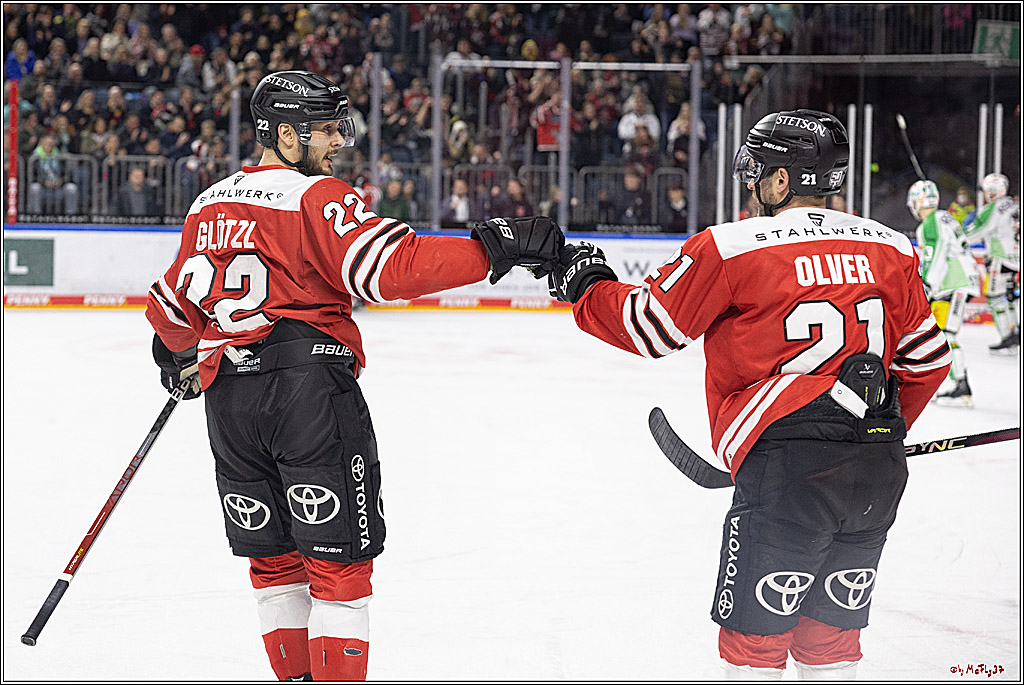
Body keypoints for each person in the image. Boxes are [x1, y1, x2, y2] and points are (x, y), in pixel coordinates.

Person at [145, 70, 562, 682]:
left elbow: (170, 310)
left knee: (274, 565)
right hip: (307, 397)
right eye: (325, 129)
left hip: (229, 401)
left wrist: (175, 354)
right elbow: (392, 268)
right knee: (338, 569)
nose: (339, 139)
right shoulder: (315, 196)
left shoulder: (208, 203)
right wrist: (493, 249)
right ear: (287, 134)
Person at [546, 109, 951, 679]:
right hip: (875, 470)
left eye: (759, 171)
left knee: (755, 648)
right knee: (830, 645)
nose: (753, 184)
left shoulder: (732, 246)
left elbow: (649, 327)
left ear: (782, 179)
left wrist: (588, 285)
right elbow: (929, 361)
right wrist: (871, 432)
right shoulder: (892, 247)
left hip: (786, 471)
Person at [907, 180, 982, 406]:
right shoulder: (944, 217)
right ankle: (958, 384)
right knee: (943, 333)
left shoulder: (931, 222)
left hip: (952, 283)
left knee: (947, 334)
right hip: (957, 281)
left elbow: (936, 253)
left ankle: (961, 386)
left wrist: (928, 285)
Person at [963, 173, 1020, 355]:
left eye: (987, 191)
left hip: (1000, 259)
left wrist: (958, 239)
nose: (986, 194)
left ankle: (1008, 339)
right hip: (1017, 260)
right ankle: (1017, 334)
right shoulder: (1015, 205)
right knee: (1013, 298)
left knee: (995, 298)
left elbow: (975, 233)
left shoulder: (992, 209)